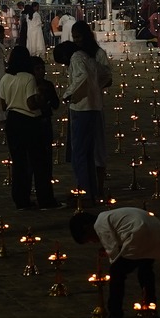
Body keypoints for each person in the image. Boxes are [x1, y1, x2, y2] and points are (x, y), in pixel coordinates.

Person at [69, 205, 160, 318]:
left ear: (87, 227)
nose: (93, 241)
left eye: (89, 239)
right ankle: (150, 308)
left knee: (117, 272)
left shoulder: (99, 224)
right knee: (145, 269)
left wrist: (111, 256)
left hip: (139, 232)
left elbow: (113, 254)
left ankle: (115, 315)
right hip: (156, 229)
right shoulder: (108, 216)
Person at [0, 49, 59, 209]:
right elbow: (31, 103)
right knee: (39, 162)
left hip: (12, 121)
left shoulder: (5, 78)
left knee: (19, 163)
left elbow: (3, 105)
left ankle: (21, 199)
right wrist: (42, 101)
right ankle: (45, 199)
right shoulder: (28, 78)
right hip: (29, 121)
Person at [61, 20, 114, 195]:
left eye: (79, 37)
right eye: (74, 38)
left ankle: (91, 189)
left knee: (89, 150)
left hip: (85, 107)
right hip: (93, 104)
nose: (77, 41)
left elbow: (103, 77)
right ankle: (91, 189)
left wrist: (68, 93)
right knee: (89, 149)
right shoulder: (82, 55)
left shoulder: (91, 55)